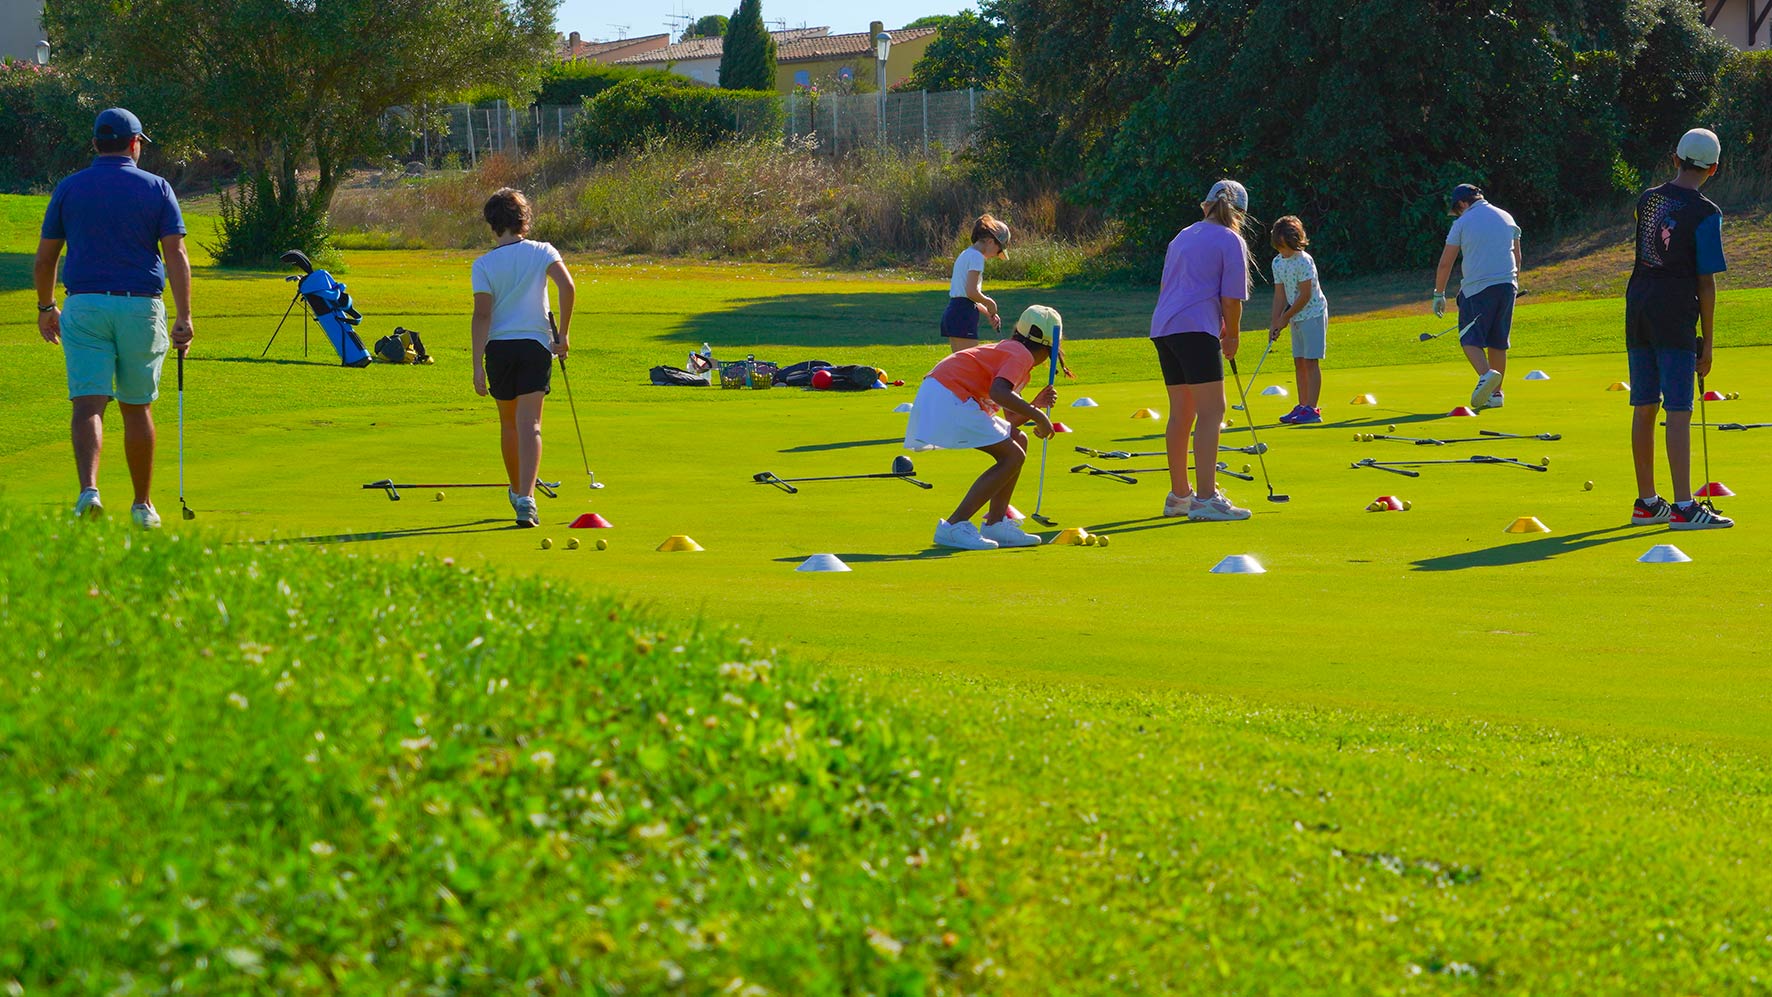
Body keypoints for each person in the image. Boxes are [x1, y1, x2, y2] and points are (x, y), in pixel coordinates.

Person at [34, 108, 193, 529]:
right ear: (135, 143)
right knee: (136, 408)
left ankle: (89, 491)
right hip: (140, 306)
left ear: (94, 144)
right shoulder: (157, 187)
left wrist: (46, 307)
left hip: (85, 305)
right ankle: (142, 506)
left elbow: (46, 257)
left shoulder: (70, 188)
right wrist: (185, 315)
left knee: (88, 402)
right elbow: (175, 253)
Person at [1627, 128, 1732, 530]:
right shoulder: (1707, 213)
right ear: (1714, 168)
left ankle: (1647, 502)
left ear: (1675, 158)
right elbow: (1706, 283)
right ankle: (1685, 507)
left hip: (1638, 306)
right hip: (1674, 312)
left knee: (1644, 405)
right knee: (1678, 409)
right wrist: (1708, 345)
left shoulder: (1646, 199)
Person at [906, 305, 1068, 550]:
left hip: (944, 393)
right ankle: (953, 526)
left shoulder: (1013, 353)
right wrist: (1039, 416)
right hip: (949, 395)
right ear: (1048, 348)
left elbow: (1010, 420)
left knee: (1018, 440)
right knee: (1012, 456)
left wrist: (1034, 405)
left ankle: (996, 524)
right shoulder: (1020, 355)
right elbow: (998, 392)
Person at [470, 187, 576, 528]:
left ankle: (517, 492)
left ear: (492, 224)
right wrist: (564, 334)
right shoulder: (543, 251)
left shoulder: (483, 264)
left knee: (508, 424)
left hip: (499, 349)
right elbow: (567, 287)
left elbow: (482, 316)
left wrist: (476, 367)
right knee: (530, 424)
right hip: (534, 345)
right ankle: (527, 499)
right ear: (523, 220)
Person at [1149, 180, 1255, 522]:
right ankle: (1206, 498)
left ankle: (1179, 495)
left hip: (1165, 328)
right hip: (1195, 329)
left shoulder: (1183, 235)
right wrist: (1233, 335)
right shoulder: (1231, 239)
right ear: (1238, 215)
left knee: (1182, 413)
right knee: (1213, 411)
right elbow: (1231, 299)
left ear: (1206, 205)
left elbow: (1175, 286)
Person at [1433, 184, 1521, 410]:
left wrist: (1439, 294)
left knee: (1468, 338)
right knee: (1498, 342)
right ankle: (1496, 395)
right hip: (1507, 285)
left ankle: (1486, 375)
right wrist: (1513, 285)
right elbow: (1517, 256)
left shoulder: (1462, 223)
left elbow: (1446, 263)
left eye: (1457, 208)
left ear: (1462, 203)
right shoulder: (1506, 216)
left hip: (1478, 289)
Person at [1267, 215, 1329, 424]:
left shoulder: (1304, 260)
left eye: (1286, 247)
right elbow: (1280, 294)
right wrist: (1275, 321)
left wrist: (1285, 317)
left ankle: (1312, 409)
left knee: (1311, 362)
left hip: (1313, 314)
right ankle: (1302, 406)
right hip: (1295, 317)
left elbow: (1305, 295)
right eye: (1280, 247)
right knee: (1299, 362)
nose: (1283, 252)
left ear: (1296, 242)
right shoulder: (1277, 262)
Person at [940, 214, 1011, 353]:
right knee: (969, 367)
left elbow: (967, 297)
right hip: (963, 315)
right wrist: (990, 303)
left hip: (954, 312)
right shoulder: (977, 257)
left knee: (960, 367)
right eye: (998, 251)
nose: (996, 255)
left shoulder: (966, 253)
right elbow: (971, 292)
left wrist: (988, 313)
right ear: (990, 242)